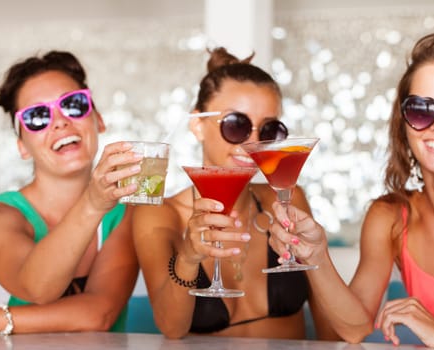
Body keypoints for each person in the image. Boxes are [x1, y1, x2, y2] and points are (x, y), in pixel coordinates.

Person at [267, 32, 434, 349]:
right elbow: (354, 330)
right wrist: (318, 255)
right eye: (422, 109)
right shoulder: (390, 217)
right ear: (403, 122)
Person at [133, 47, 329, 339]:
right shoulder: (159, 215)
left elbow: (330, 331)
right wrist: (188, 257)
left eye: (268, 130)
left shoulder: (286, 197)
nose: (251, 142)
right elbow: (171, 328)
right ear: (197, 125)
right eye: (236, 125)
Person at [0, 50, 140, 334]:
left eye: (74, 104)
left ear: (98, 120)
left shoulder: (124, 215)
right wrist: (92, 203)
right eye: (37, 117)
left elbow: (98, 314)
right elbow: (37, 287)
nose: (60, 122)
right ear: (22, 146)